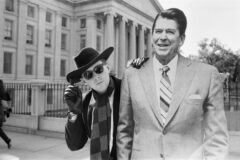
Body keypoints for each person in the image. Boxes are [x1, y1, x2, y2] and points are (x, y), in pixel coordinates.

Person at [117, 8, 229, 160]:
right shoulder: (132, 75)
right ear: (152, 36)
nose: (162, 37)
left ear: (181, 39)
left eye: (169, 32)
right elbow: (124, 132)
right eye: (158, 31)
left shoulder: (207, 75)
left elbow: (217, 139)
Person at [64, 47, 147, 160]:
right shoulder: (85, 102)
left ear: (107, 68)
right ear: (84, 80)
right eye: (88, 75)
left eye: (98, 69)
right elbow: (74, 145)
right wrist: (73, 113)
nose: (96, 76)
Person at [0, 79, 11, 149]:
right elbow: (7, 102)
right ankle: (7, 140)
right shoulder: (4, 92)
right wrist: (8, 110)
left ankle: (7, 140)